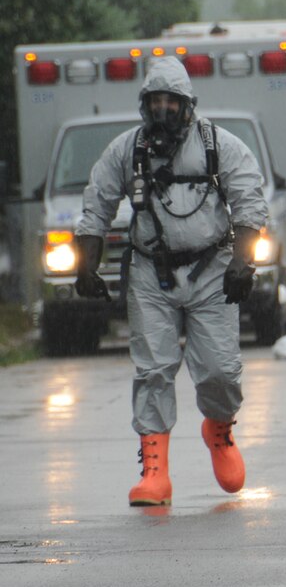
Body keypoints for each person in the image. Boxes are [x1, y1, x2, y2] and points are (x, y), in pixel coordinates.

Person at [74, 57, 268, 506]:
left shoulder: (220, 145)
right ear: (144, 105)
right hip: (150, 272)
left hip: (212, 269)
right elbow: (97, 203)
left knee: (220, 370)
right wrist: (86, 264)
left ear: (189, 106)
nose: (163, 111)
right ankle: (155, 471)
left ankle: (219, 430)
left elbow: (249, 201)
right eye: (155, 102)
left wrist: (242, 263)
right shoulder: (126, 150)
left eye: (172, 103)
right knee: (153, 368)